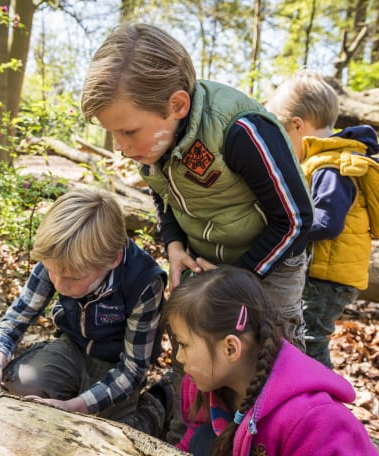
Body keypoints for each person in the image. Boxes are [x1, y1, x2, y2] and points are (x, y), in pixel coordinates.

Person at [81, 23, 313, 444]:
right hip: (203, 261)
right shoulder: (153, 141)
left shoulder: (239, 130)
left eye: (127, 131)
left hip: (269, 260)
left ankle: (266, 437)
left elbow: (295, 220)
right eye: (112, 132)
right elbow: (163, 198)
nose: (119, 145)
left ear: (177, 104)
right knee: (194, 352)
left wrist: (234, 280)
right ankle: (184, 436)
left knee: (267, 355)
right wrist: (172, 244)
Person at [0, 188, 171, 436]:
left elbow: (133, 369)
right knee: (22, 382)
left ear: (112, 260)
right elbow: (16, 318)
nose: (60, 285)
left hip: (117, 364)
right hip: (74, 348)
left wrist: (75, 407)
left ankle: (160, 399)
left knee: (114, 434)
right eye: (53, 272)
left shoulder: (144, 281)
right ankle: (72, 389)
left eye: (73, 278)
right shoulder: (59, 256)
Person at [264, 69, 379, 367]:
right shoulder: (324, 159)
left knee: (311, 338)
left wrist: (288, 224)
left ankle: (326, 402)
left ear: (297, 126)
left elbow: (328, 223)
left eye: (282, 135)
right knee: (301, 334)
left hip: (330, 277)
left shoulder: (332, 166)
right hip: (324, 271)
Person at [165, 264, 379, 456]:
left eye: (183, 345)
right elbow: (191, 443)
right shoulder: (205, 385)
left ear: (230, 348)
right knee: (204, 439)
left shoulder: (312, 420)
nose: (178, 356)